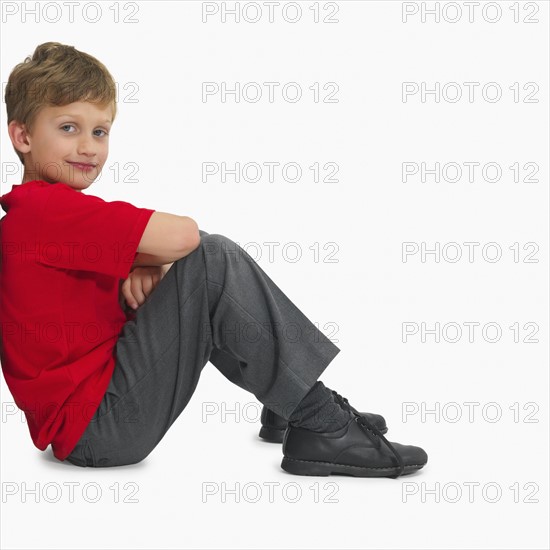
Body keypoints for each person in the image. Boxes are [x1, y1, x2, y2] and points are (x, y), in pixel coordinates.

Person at [0, 42, 427, 477]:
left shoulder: (37, 218)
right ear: (23, 136)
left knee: (197, 267)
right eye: (69, 127)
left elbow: (160, 264)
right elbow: (184, 236)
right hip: (101, 428)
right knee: (211, 255)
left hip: (95, 420)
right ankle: (316, 418)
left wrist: (154, 267)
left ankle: (292, 400)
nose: (88, 147)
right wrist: (170, 263)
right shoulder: (45, 210)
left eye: (100, 131)